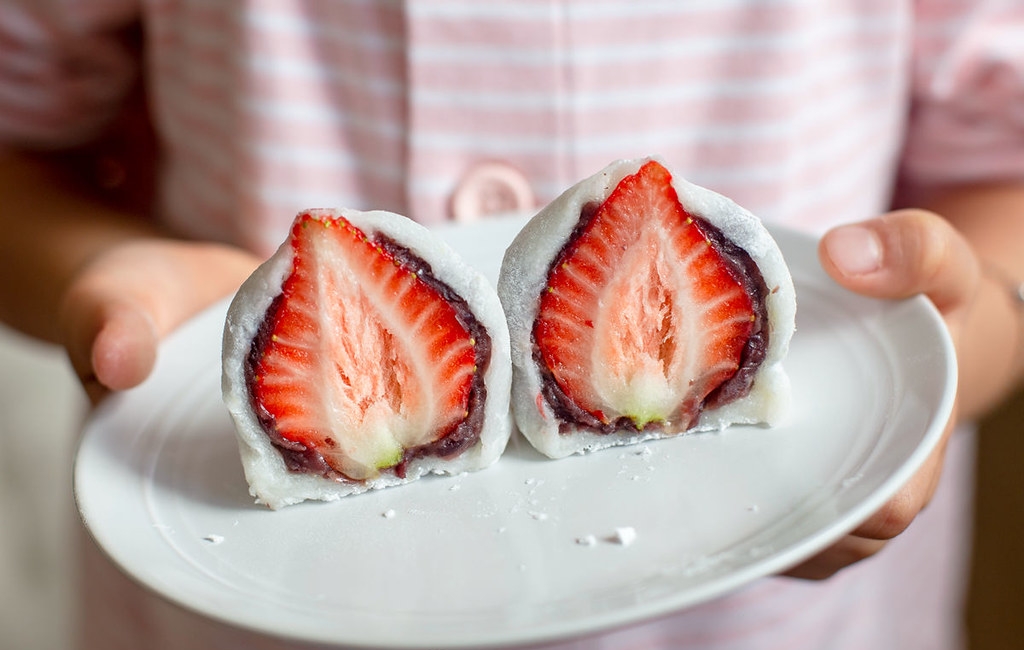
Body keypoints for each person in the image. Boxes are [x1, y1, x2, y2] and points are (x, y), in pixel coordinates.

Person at [1, 1, 1022, 648]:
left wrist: (961, 337)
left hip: (791, 624)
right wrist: (92, 267)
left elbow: (1000, 164)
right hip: (229, 614)